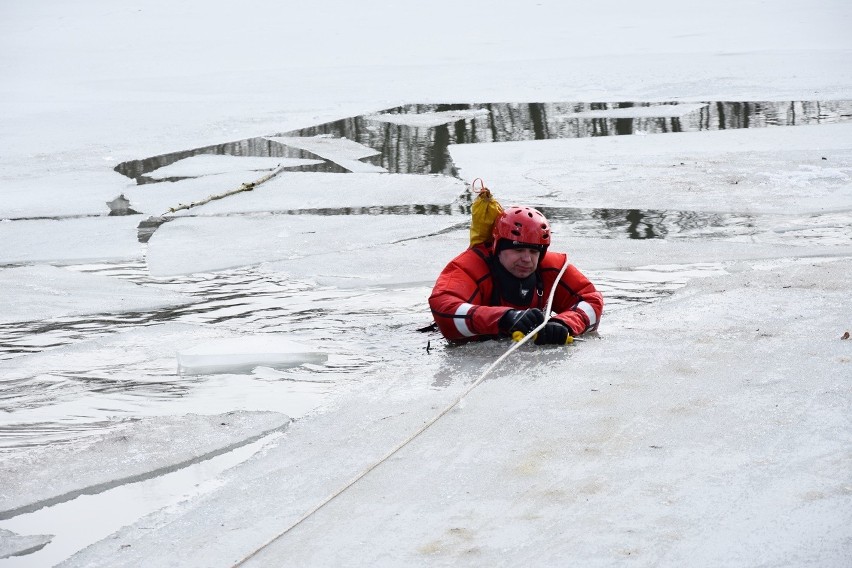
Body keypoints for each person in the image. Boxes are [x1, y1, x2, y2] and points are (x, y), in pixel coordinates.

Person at [429, 205, 603, 344]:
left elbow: (591, 300)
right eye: (518, 249)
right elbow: (444, 309)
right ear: (498, 248)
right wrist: (505, 318)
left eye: (534, 251)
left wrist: (564, 323)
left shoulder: (552, 269)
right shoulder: (467, 268)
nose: (527, 259)